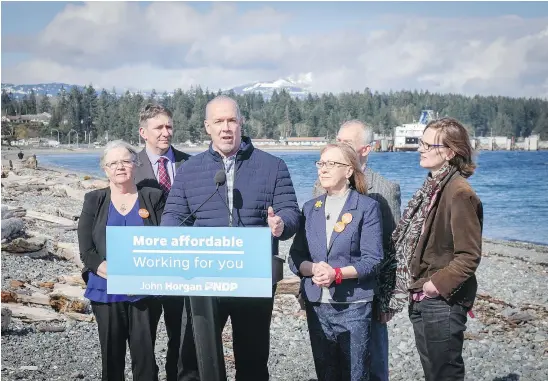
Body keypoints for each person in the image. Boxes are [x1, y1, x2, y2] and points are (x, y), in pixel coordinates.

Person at [161, 95, 300, 381]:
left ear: (241, 123)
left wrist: (280, 224)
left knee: (252, 358)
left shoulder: (273, 166)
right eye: (219, 122)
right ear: (207, 127)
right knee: (194, 358)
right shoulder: (189, 170)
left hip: (253, 274)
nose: (226, 128)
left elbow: (291, 213)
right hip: (203, 276)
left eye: (232, 120)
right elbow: (173, 217)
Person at [391, 117, 483, 381]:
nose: (421, 149)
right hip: (421, 293)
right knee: (433, 371)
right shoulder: (431, 188)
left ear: (450, 152)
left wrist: (434, 286)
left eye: (429, 145)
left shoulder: (459, 193)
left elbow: (469, 256)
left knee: (445, 372)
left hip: (442, 299)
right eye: (422, 142)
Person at [313, 120, 401, 381]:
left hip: (368, 293)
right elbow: (314, 243)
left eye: (347, 143)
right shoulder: (321, 187)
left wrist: (386, 300)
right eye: (337, 140)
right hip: (327, 294)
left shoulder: (384, 189)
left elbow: (391, 248)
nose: (339, 146)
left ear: (366, 149)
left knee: (372, 366)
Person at [289, 142, 383, 381]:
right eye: (321, 163)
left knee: (355, 374)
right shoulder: (310, 208)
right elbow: (295, 256)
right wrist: (313, 269)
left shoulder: (367, 207)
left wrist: (337, 274)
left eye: (331, 164)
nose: (323, 169)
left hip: (354, 306)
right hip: (317, 305)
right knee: (326, 374)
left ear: (349, 171)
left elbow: (373, 261)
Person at [78, 140, 166, 381]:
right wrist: (107, 270)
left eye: (126, 161)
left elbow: (165, 240)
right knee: (111, 356)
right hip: (105, 289)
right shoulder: (94, 200)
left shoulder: (153, 197)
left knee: (145, 356)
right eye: (113, 163)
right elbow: (87, 250)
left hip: (145, 290)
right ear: (105, 169)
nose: (120, 167)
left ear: (135, 165)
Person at [133, 103, 196, 381]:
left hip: (183, 266)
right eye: (158, 127)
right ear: (143, 132)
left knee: (183, 340)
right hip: (144, 265)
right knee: (143, 341)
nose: (165, 132)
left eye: (169, 126)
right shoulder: (130, 167)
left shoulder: (192, 164)